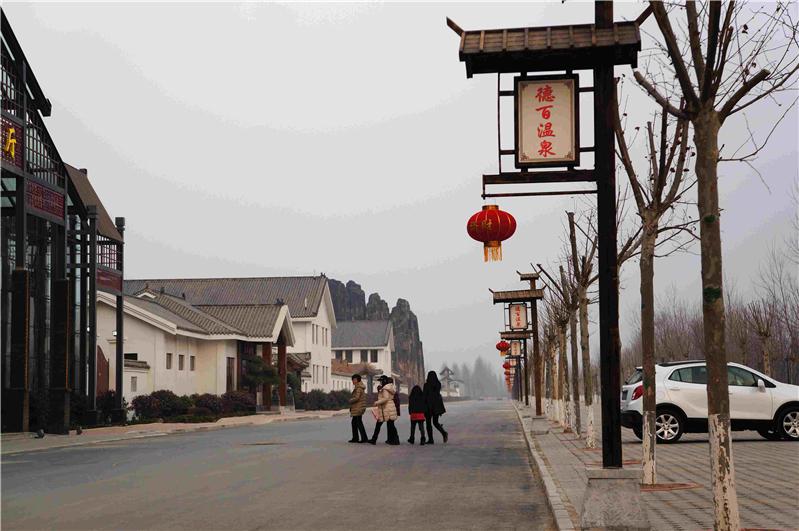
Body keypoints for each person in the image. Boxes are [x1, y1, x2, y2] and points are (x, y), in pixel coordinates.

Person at [369, 375, 400, 445]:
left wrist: (377, 402)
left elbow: (385, 398)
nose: (380, 383)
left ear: (384, 381)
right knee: (390, 425)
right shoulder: (389, 388)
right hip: (388, 408)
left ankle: (374, 439)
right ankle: (395, 440)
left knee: (381, 424)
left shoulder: (385, 389)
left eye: (381, 381)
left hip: (386, 408)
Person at [423, 371, 448, 444]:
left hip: (428, 406)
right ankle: (444, 433)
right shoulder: (438, 384)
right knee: (435, 422)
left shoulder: (426, 385)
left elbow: (424, 396)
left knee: (428, 423)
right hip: (436, 407)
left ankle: (431, 439)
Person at [348, 374, 368, 443]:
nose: (353, 381)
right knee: (355, 422)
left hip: (358, 407)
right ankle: (356, 438)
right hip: (358, 407)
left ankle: (363, 438)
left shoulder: (358, 388)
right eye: (352, 380)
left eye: (353, 380)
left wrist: (350, 400)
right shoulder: (359, 387)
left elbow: (357, 397)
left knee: (358, 423)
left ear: (357, 380)